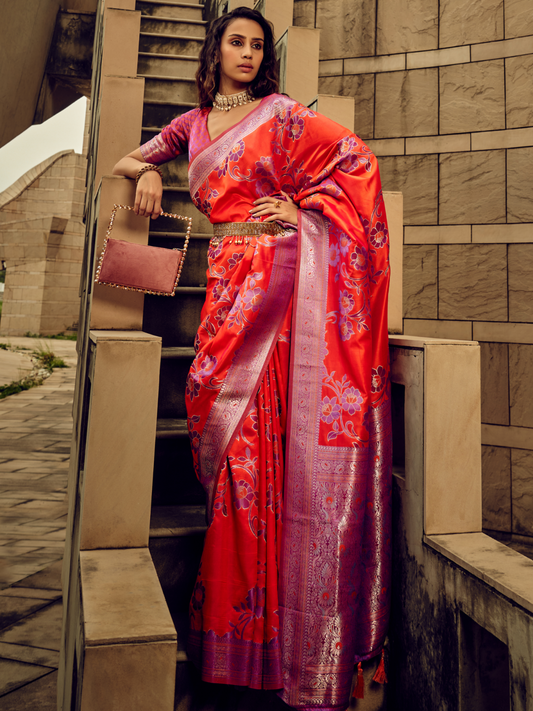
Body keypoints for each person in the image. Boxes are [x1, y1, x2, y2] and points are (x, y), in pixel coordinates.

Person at [113, 7, 392, 710]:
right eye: (234, 41)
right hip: (224, 289)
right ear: (216, 50)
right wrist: (143, 173)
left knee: (260, 451)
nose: (244, 52)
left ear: (264, 57)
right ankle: (239, 618)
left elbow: (355, 160)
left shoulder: (283, 115)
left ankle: (276, 634)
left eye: (255, 45)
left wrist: (297, 215)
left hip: (277, 291)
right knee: (222, 431)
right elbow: (132, 156)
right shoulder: (193, 125)